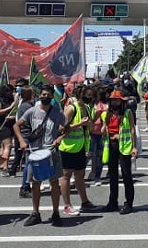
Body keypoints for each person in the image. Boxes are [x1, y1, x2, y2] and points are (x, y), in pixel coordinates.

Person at [13, 85, 66, 227]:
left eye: (48, 95)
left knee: (54, 184)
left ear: (52, 96)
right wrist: (21, 141)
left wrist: (60, 138)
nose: (45, 97)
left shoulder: (57, 113)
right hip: (35, 152)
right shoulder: (32, 111)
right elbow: (16, 125)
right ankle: (35, 213)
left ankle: (56, 213)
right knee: (35, 184)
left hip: (52, 152)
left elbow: (66, 128)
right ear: (39, 95)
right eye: (43, 94)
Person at [57, 84, 95, 216]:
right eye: (88, 96)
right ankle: (67, 205)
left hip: (81, 147)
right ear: (80, 94)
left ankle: (85, 202)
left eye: (91, 96)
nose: (89, 98)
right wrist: (79, 124)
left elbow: (90, 128)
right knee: (66, 176)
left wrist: (89, 124)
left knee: (80, 175)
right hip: (67, 147)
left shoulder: (87, 108)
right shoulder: (71, 108)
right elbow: (61, 128)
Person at [100, 89, 137, 214]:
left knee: (126, 176)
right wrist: (103, 129)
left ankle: (129, 203)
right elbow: (104, 129)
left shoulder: (127, 113)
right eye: (113, 100)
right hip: (111, 147)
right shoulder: (106, 114)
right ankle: (113, 202)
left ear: (121, 102)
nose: (115, 102)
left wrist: (134, 147)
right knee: (113, 176)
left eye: (117, 100)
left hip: (124, 147)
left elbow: (132, 129)